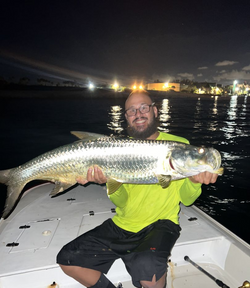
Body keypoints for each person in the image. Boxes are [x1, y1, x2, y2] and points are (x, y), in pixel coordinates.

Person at [57, 89, 218, 288]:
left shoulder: (178, 146)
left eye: (144, 108)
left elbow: (187, 200)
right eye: (131, 111)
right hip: (124, 224)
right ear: (126, 117)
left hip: (161, 224)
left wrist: (194, 181)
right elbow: (122, 202)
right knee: (68, 259)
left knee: (147, 266)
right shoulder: (118, 150)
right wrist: (108, 181)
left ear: (155, 111)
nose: (138, 114)